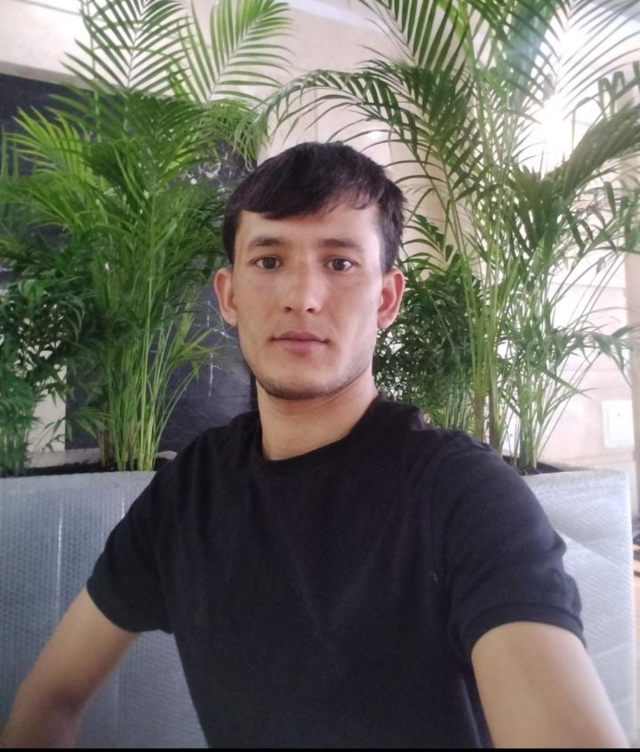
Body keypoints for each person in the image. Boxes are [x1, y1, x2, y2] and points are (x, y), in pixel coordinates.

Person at [0, 142, 629, 748]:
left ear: (386, 298)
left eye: (340, 263)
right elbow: (51, 695)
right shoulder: (189, 493)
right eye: (269, 261)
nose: (302, 298)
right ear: (229, 295)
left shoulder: (463, 496)